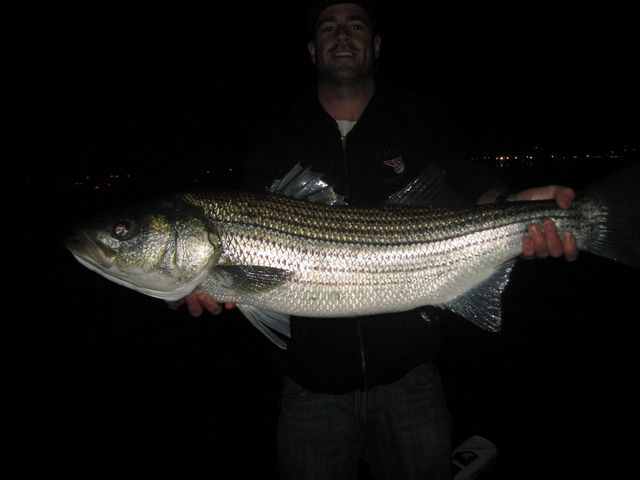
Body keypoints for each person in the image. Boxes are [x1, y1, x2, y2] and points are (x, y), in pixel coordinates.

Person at [169, 1, 578, 478]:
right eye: (328, 26)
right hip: (309, 391)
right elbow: (249, 259)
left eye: (356, 25)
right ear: (311, 49)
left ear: (376, 45)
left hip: (411, 380)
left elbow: (467, 185)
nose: (342, 35)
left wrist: (514, 204)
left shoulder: (418, 121)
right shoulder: (276, 139)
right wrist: (212, 285)